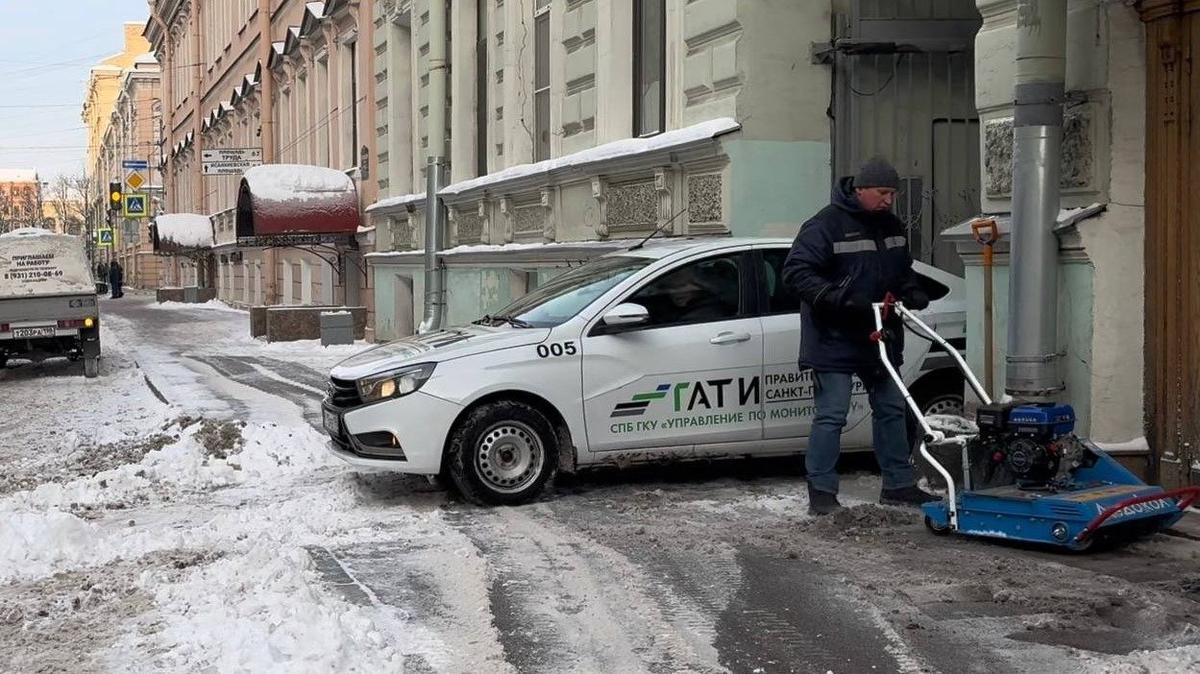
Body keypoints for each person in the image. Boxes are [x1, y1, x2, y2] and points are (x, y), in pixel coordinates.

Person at [782, 156, 936, 515]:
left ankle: (898, 484)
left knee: (891, 409)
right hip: (833, 335)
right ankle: (821, 492)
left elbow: (902, 271)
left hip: (880, 334)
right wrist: (838, 298)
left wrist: (911, 290)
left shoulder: (892, 226)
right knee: (832, 413)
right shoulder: (825, 225)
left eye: (893, 194)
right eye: (883, 192)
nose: (888, 200)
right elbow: (796, 272)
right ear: (861, 189)